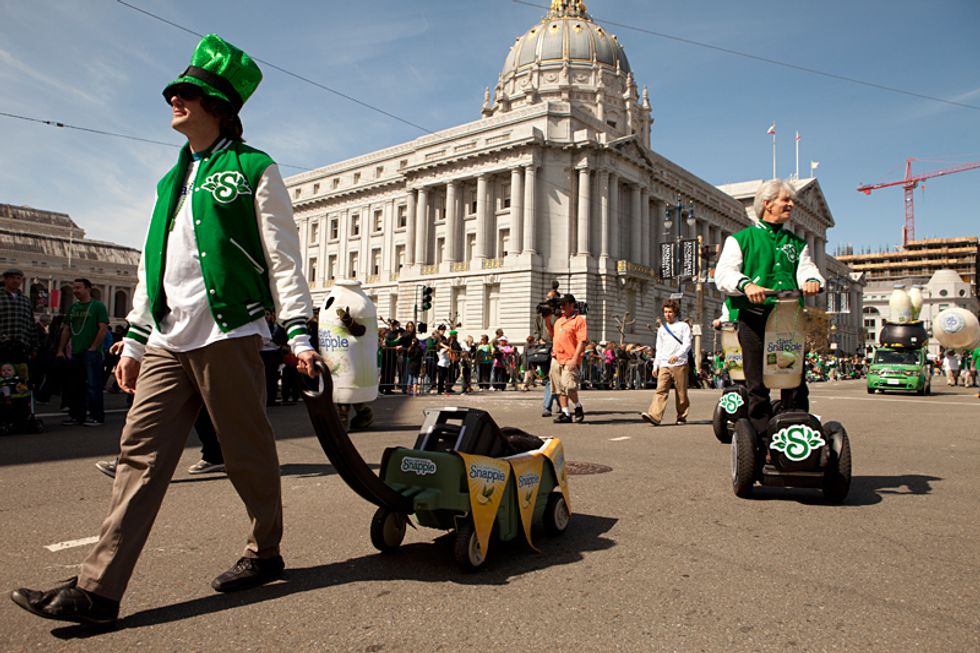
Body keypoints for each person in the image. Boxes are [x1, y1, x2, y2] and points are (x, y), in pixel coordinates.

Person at [11, 34, 318, 626]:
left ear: (217, 106)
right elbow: (153, 265)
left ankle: (265, 550)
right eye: (175, 91)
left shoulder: (255, 168)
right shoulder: (168, 181)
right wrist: (133, 336)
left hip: (228, 333)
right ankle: (98, 591)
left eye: (188, 93)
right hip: (168, 340)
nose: (174, 99)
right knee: (138, 456)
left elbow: (283, 260)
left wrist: (300, 334)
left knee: (246, 454)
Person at [715, 178, 824, 436]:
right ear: (767, 203)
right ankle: (762, 438)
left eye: (791, 201)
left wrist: (811, 280)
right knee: (757, 384)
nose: (791, 205)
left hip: (788, 317)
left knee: (794, 380)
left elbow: (807, 268)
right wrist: (746, 285)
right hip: (752, 317)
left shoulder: (796, 243)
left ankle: (795, 429)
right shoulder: (741, 239)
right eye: (785, 200)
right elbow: (724, 274)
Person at [57, 278, 109, 427]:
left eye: (78, 288)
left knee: (93, 385)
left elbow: (103, 328)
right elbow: (66, 329)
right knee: (75, 385)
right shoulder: (73, 308)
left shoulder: (98, 306)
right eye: (73, 288)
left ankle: (96, 416)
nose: (75, 291)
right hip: (76, 351)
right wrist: (61, 349)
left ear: (88, 289)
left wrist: (93, 347)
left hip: (92, 353)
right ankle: (76, 415)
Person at [641, 299, 691, 426]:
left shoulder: (683, 326)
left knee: (681, 393)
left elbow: (687, 344)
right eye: (665, 312)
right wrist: (656, 365)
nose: (667, 314)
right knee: (661, 390)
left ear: (675, 312)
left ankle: (681, 416)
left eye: (670, 312)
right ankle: (655, 416)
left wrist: (677, 355)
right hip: (664, 364)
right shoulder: (662, 329)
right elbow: (659, 348)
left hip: (679, 363)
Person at [546, 294, 587, 423]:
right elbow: (552, 335)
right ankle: (566, 413)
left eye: (564, 304)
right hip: (557, 358)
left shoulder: (579, 320)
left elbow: (582, 341)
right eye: (561, 304)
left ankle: (577, 406)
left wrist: (575, 359)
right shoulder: (559, 320)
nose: (562, 307)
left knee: (569, 386)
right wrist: (547, 319)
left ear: (572, 305)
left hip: (570, 358)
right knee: (558, 388)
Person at [0, 269, 40, 365]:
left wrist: (35, 347)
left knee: (20, 377)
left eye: (18, 278)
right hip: (1, 345)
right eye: (12, 278)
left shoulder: (25, 300)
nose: (16, 281)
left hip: (22, 347)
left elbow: (31, 325)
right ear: (5, 279)